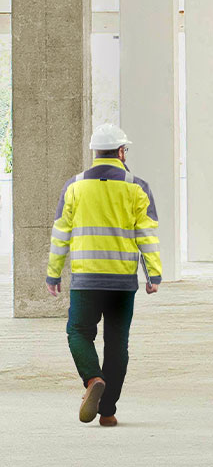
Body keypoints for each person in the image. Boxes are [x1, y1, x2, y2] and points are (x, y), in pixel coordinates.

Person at [45, 124, 162, 426]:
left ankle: (92, 378)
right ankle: (107, 411)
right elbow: (147, 235)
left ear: (95, 152)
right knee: (117, 344)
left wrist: (53, 274)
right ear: (122, 152)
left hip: (86, 281)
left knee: (78, 332)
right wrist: (154, 274)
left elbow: (60, 236)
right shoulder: (138, 186)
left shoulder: (74, 186)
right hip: (122, 283)